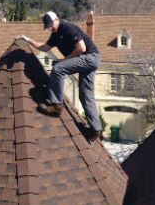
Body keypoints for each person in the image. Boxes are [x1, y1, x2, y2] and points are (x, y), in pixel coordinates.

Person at [22, 11, 102, 141]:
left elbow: (81, 48)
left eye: (50, 25)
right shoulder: (55, 35)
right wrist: (27, 40)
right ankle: (95, 130)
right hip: (89, 60)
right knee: (85, 95)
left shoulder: (67, 27)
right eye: (47, 26)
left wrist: (65, 60)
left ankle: (56, 105)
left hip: (90, 57)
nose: (50, 28)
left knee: (58, 68)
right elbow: (44, 47)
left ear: (56, 19)